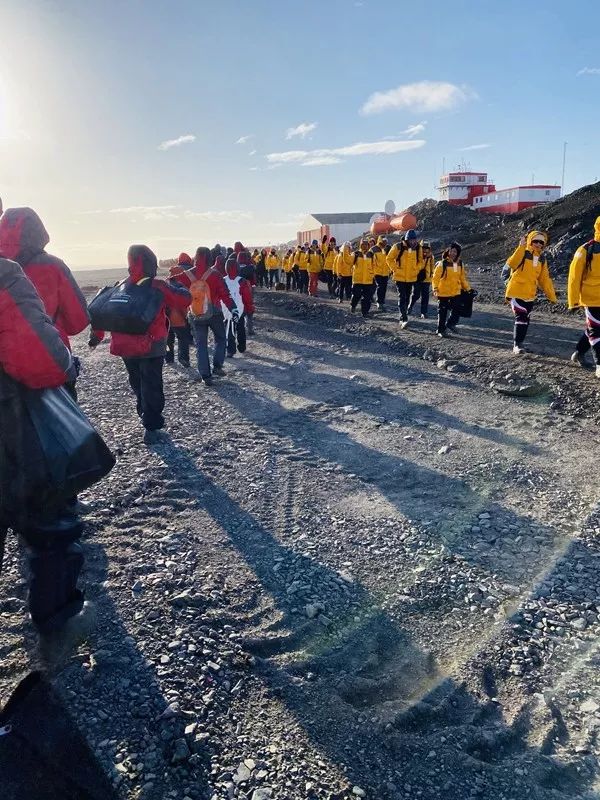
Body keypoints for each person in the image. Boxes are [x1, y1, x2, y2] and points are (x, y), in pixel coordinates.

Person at [0, 255, 95, 655]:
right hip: (15, 423)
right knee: (50, 513)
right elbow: (63, 334)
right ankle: (57, 623)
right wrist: (67, 366)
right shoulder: (9, 273)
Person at [89, 245, 191, 443]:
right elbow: (182, 300)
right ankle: (151, 425)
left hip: (124, 345)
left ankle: (143, 412)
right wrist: (178, 285)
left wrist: (96, 337)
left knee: (136, 381)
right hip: (151, 345)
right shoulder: (157, 286)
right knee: (151, 383)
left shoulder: (121, 285)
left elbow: (104, 312)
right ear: (151, 262)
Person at [0, 207, 90, 400]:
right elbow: (78, 321)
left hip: (5, 370)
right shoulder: (53, 265)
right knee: (61, 425)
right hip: (50, 359)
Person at [188, 246, 237, 385]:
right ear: (210, 258)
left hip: (196, 314)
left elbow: (172, 284)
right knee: (221, 338)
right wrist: (233, 309)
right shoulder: (215, 275)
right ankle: (217, 366)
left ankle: (205, 376)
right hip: (214, 312)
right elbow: (225, 294)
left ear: (195, 257)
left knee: (201, 345)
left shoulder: (187, 275)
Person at [505, 231, 556, 354]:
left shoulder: (542, 259)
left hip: (530, 295)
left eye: (541, 242)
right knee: (521, 316)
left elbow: (544, 279)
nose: (538, 244)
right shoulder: (523, 252)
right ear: (530, 241)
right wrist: (521, 247)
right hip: (516, 292)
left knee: (526, 319)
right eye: (535, 241)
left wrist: (552, 296)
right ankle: (516, 345)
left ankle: (520, 344)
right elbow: (512, 263)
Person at [567, 216, 600, 375]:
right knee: (596, 330)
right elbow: (574, 277)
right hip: (591, 298)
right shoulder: (586, 250)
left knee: (593, 329)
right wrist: (573, 301)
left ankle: (579, 353)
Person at [432, 242, 471, 338]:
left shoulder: (460, 263)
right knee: (443, 312)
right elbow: (435, 278)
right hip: (443, 293)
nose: (454, 253)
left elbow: (462, 278)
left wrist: (468, 289)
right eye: (452, 251)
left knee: (457, 308)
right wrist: (435, 289)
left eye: (456, 252)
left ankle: (450, 323)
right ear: (448, 251)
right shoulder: (442, 264)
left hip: (455, 292)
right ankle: (440, 330)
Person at [387, 229, 423, 329]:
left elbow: (421, 261)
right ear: (407, 240)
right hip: (399, 277)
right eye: (411, 240)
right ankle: (403, 318)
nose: (413, 242)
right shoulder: (398, 246)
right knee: (402, 297)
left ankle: (404, 314)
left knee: (407, 297)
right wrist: (395, 269)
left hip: (411, 278)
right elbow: (389, 258)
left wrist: (416, 269)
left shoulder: (418, 248)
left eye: (414, 240)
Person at [166, 253, 194, 368]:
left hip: (165, 318)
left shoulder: (164, 285)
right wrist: (186, 315)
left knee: (168, 340)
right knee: (183, 338)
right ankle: (183, 358)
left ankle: (169, 357)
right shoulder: (181, 287)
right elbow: (185, 303)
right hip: (178, 318)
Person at [224, 256, 254, 356]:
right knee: (240, 328)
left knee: (229, 329)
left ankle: (230, 350)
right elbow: (247, 297)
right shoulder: (242, 281)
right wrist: (249, 308)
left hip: (227, 310)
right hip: (239, 310)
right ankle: (241, 346)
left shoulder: (222, 280)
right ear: (237, 268)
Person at [409, 241, 434, 318]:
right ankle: (410, 306)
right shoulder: (417, 255)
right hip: (417, 278)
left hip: (426, 279)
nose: (425, 250)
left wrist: (431, 275)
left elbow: (432, 266)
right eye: (423, 248)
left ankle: (424, 312)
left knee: (425, 297)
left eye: (427, 248)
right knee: (415, 294)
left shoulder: (431, 257)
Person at [351, 239, 374, 317]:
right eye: (363, 245)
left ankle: (365, 312)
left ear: (368, 245)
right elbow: (348, 261)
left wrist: (373, 274)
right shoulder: (356, 254)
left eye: (366, 245)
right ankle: (353, 305)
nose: (364, 246)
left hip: (368, 280)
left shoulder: (371, 254)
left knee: (367, 298)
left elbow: (374, 266)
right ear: (360, 245)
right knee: (356, 295)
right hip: (358, 280)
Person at [370, 236, 390, 311]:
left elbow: (389, 259)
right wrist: (372, 272)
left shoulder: (386, 249)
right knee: (380, 286)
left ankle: (382, 302)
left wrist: (390, 270)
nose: (385, 243)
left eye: (386, 241)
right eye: (384, 241)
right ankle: (379, 302)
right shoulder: (373, 249)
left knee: (384, 288)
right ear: (380, 241)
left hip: (385, 272)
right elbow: (370, 261)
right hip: (377, 272)